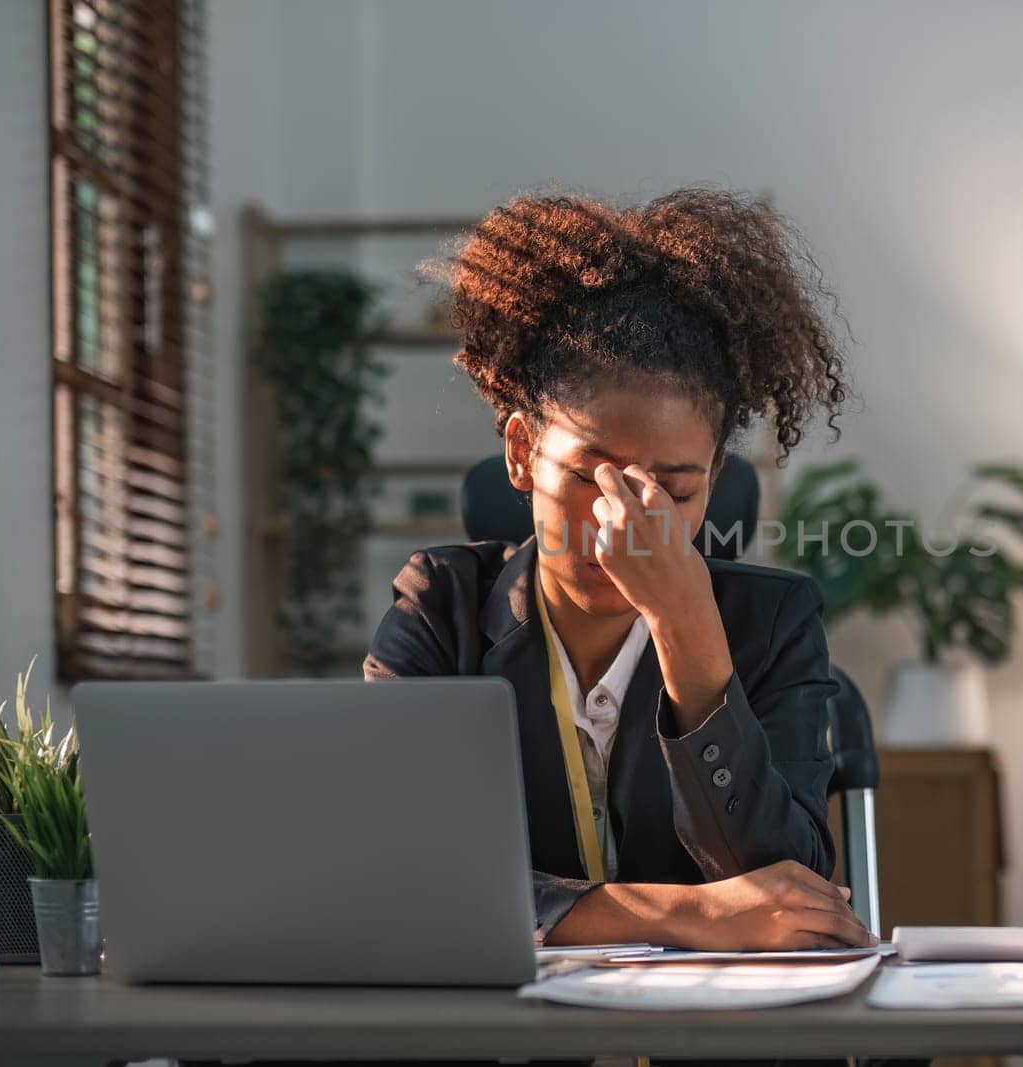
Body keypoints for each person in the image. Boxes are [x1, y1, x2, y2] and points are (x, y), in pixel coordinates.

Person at [363, 187, 873, 953]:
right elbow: (410, 872)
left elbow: (786, 903)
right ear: (521, 452)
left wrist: (690, 635)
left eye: (674, 490)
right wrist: (683, 913)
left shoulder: (771, 623)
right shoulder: (439, 609)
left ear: (715, 476)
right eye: (588, 476)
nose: (623, 523)